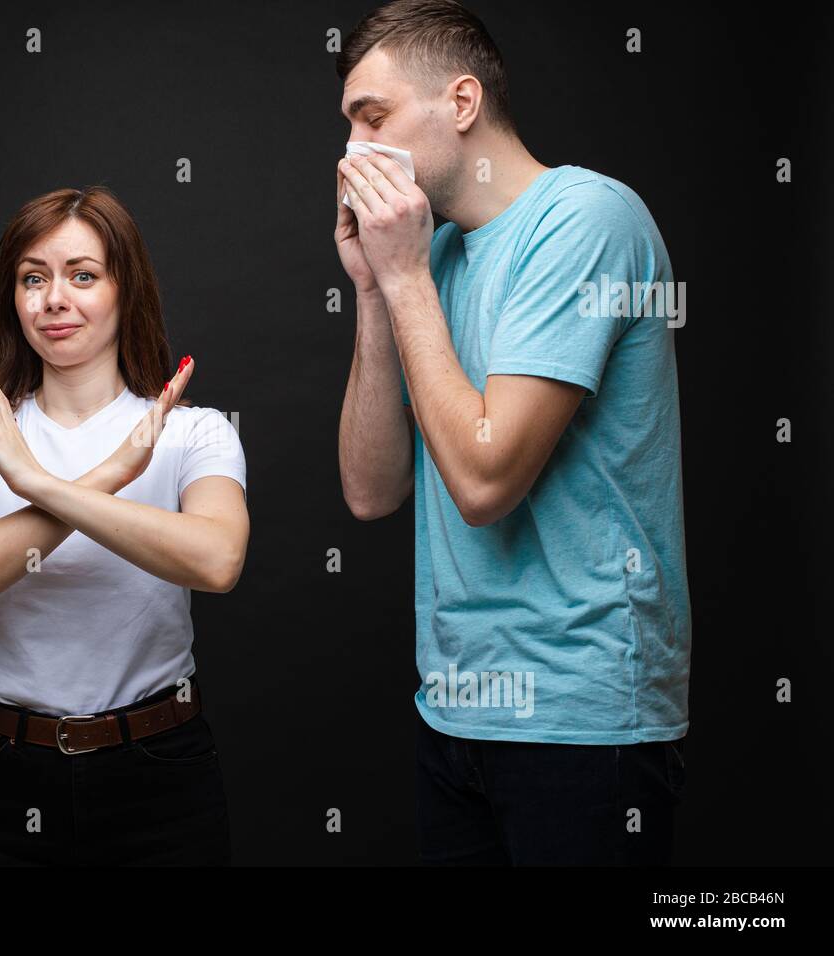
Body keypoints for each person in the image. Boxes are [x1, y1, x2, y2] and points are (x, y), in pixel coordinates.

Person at [335, 0, 690, 864]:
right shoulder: (436, 257)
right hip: (454, 708)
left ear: (462, 103)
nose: (352, 154)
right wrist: (377, 294)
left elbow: (486, 484)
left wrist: (407, 275)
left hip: (584, 718)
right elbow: (371, 492)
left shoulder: (586, 220)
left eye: (371, 118)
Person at [0, 186, 249, 866]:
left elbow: (217, 561)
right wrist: (105, 478)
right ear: (12, 298)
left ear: (125, 290)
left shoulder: (192, 432)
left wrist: (36, 484)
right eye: (32, 278)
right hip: (6, 774)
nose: (53, 299)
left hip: (160, 769)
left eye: (83, 275)